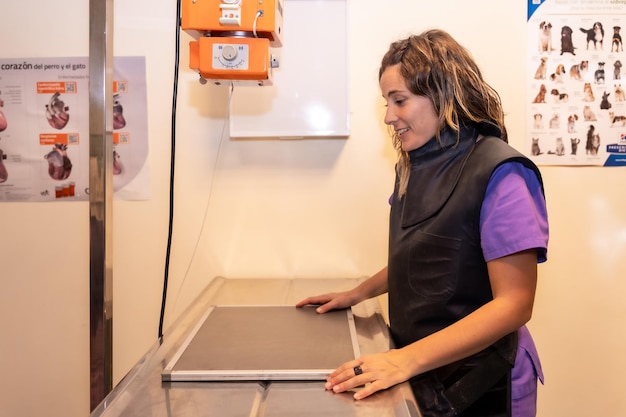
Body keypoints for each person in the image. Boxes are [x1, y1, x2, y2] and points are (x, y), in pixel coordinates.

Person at [296, 29, 548, 417]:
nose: (388, 116)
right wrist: (357, 294)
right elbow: (422, 253)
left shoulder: (502, 173)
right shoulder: (413, 165)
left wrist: (403, 361)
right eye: (386, 102)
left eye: (399, 100)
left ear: (444, 94)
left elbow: (514, 303)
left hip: (484, 376)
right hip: (427, 368)